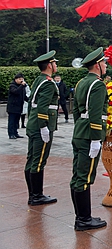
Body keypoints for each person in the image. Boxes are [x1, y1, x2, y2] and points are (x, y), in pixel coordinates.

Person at [70, 47, 108, 230]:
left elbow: (77, 111)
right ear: (98, 65)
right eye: (104, 63)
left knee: (77, 175)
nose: (106, 65)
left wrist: (80, 128)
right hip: (89, 136)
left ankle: (81, 216)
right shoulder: (98, 84)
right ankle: (84, 219)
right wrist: (95, 138)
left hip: (79, 132)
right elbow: (95, 113)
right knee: (84, 177)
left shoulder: (81, 83)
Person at [24, 51, 59, 206]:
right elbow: (42, 107)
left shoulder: (39, 80)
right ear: (49, 65)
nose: (56, 65)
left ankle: (33, 194)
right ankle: (36, 196)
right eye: (55, 63)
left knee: (32, 159)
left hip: (33, 125)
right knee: (38, 161)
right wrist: (44, 127)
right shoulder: (48, 83)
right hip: (40, 127)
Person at [8, 73, 28, 139]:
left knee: (16, 121)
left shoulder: (22, 87)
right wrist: (22, 86)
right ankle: (11, 134)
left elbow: (24, 96)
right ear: (16, 79)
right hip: (13, 107)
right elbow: (15, 92)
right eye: (20, 79)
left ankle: (15, 133)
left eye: (22, 79)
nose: (21, 81)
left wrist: (30, 101)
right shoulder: (12, 86)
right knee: (12, 121)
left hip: (19, 107)